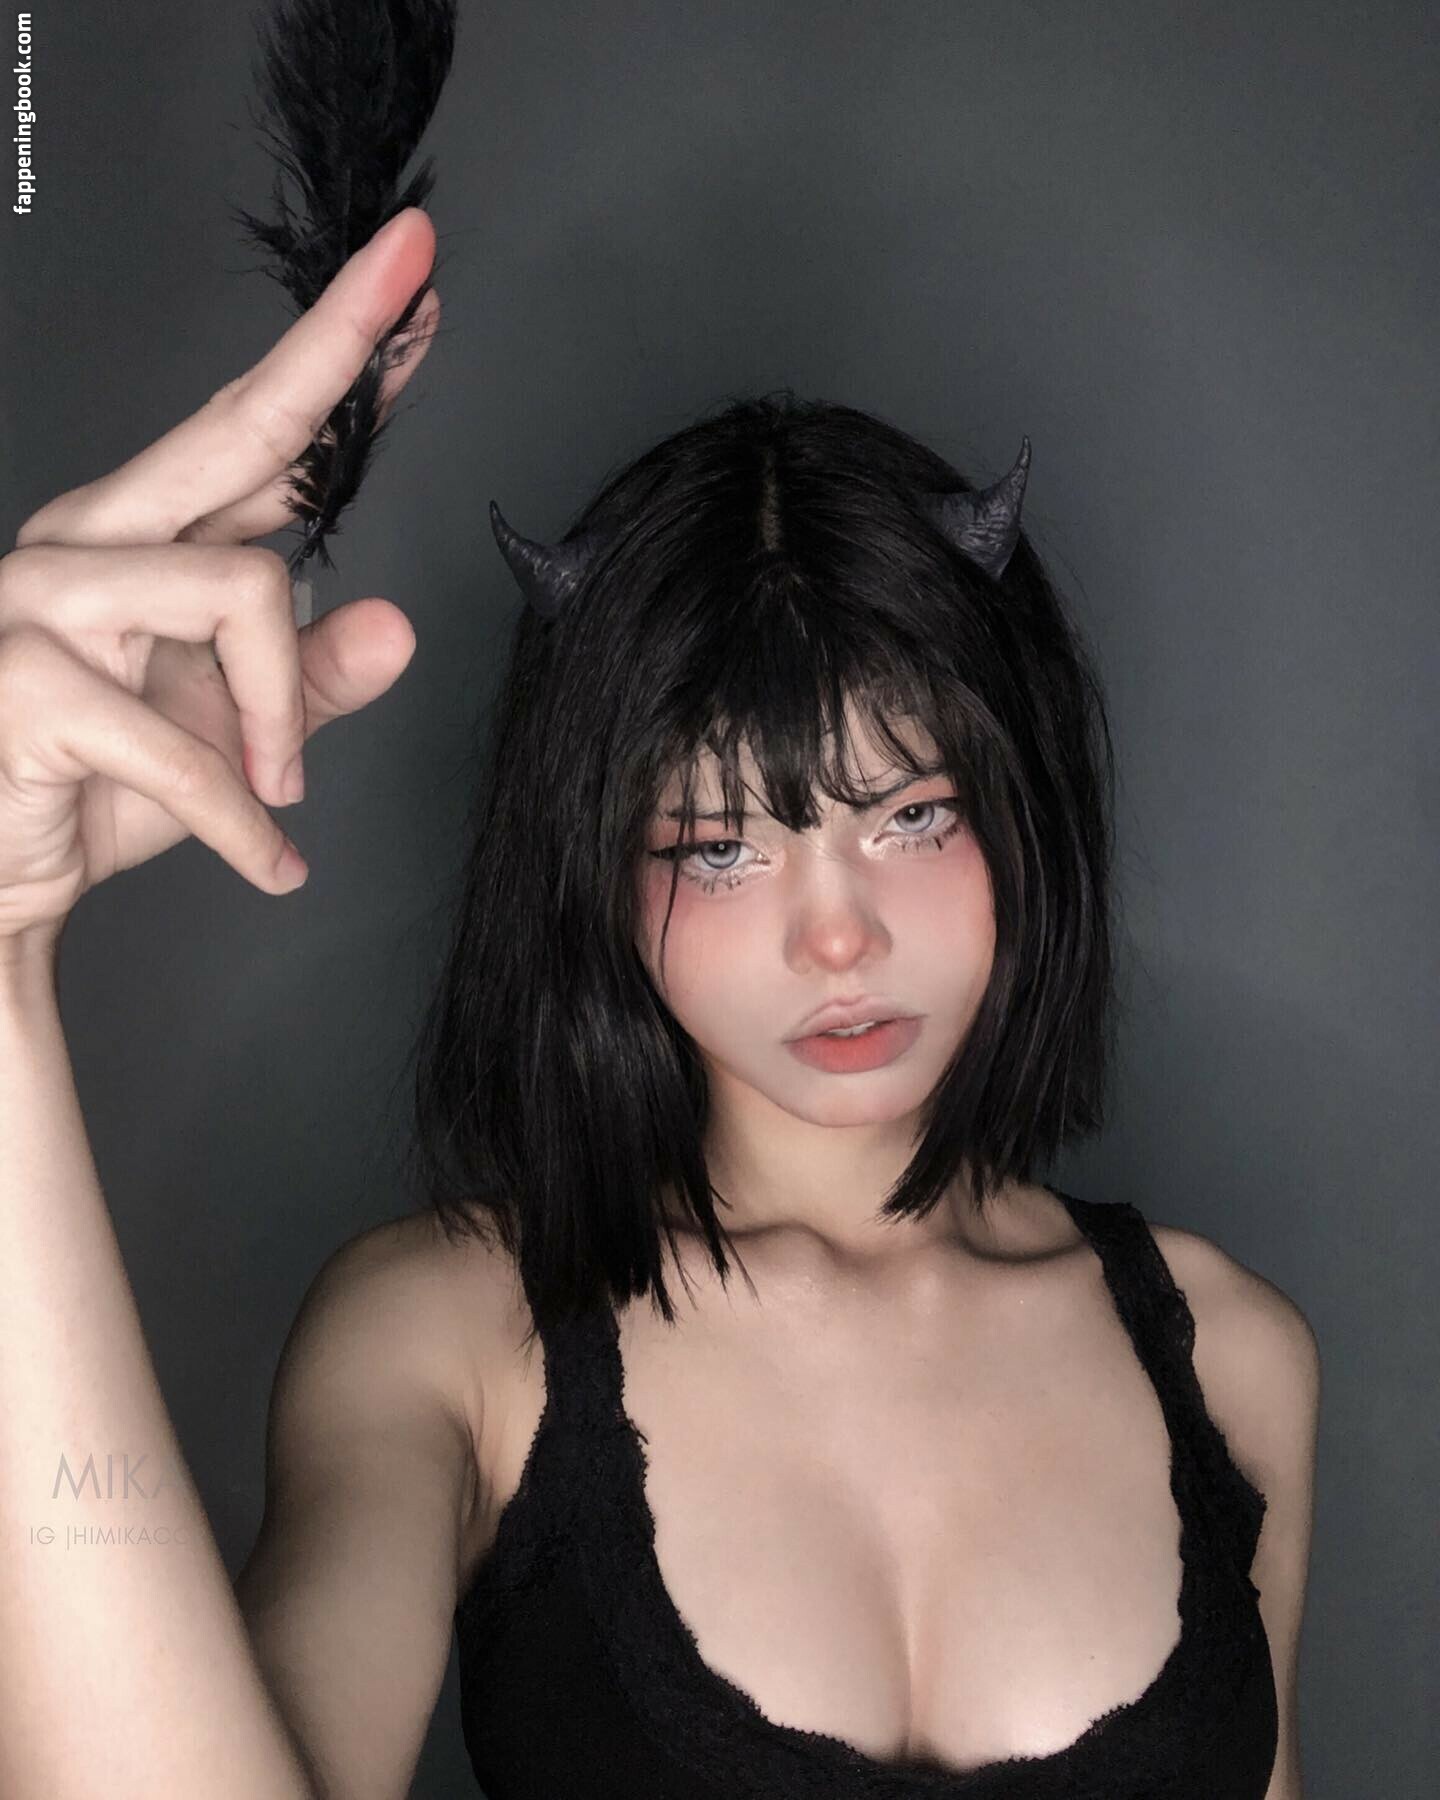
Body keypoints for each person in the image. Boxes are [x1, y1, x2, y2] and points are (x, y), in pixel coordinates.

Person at [0, 206, 1318, 1800]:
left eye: (912, 818)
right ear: (594, 870)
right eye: (719, 847)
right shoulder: (453, 1342)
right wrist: (1, 967)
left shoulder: (1233, 1357)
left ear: (1024, 807)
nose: (838, 938)